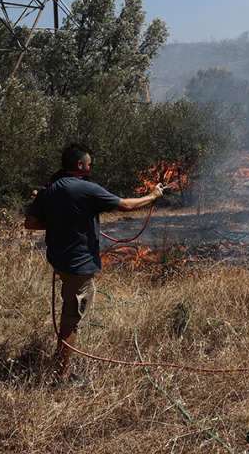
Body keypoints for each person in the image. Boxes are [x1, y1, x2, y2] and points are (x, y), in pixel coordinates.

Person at [24, 143, 163, 385]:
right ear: (80, 165)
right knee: (71, 320)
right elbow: (126, 205)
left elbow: (31, 223)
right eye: (89, 164)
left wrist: (62, 224)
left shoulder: (49, 187)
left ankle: (63, 369)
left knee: (70, 312)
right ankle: (63, 377)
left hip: (59, 260)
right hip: (78, 264)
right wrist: (153, 196)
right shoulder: (86, 189)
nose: (90, 168)